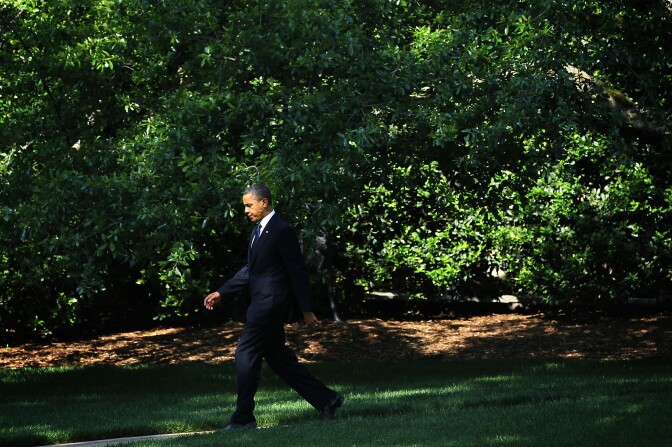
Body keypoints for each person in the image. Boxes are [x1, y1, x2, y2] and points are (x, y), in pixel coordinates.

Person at [204, 183, 344, 430]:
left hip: (269, 307)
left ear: (264, 202)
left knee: (244, 354)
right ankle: (327, 399)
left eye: (249, 205)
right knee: (280, 361)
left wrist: (307, 309)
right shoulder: (257, 232)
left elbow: (297, 271)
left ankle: (243, 418)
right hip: (258, 304)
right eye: (245, 206)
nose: (246, 210)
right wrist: (221, 292)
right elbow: (250, 270)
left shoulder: (282, 230)